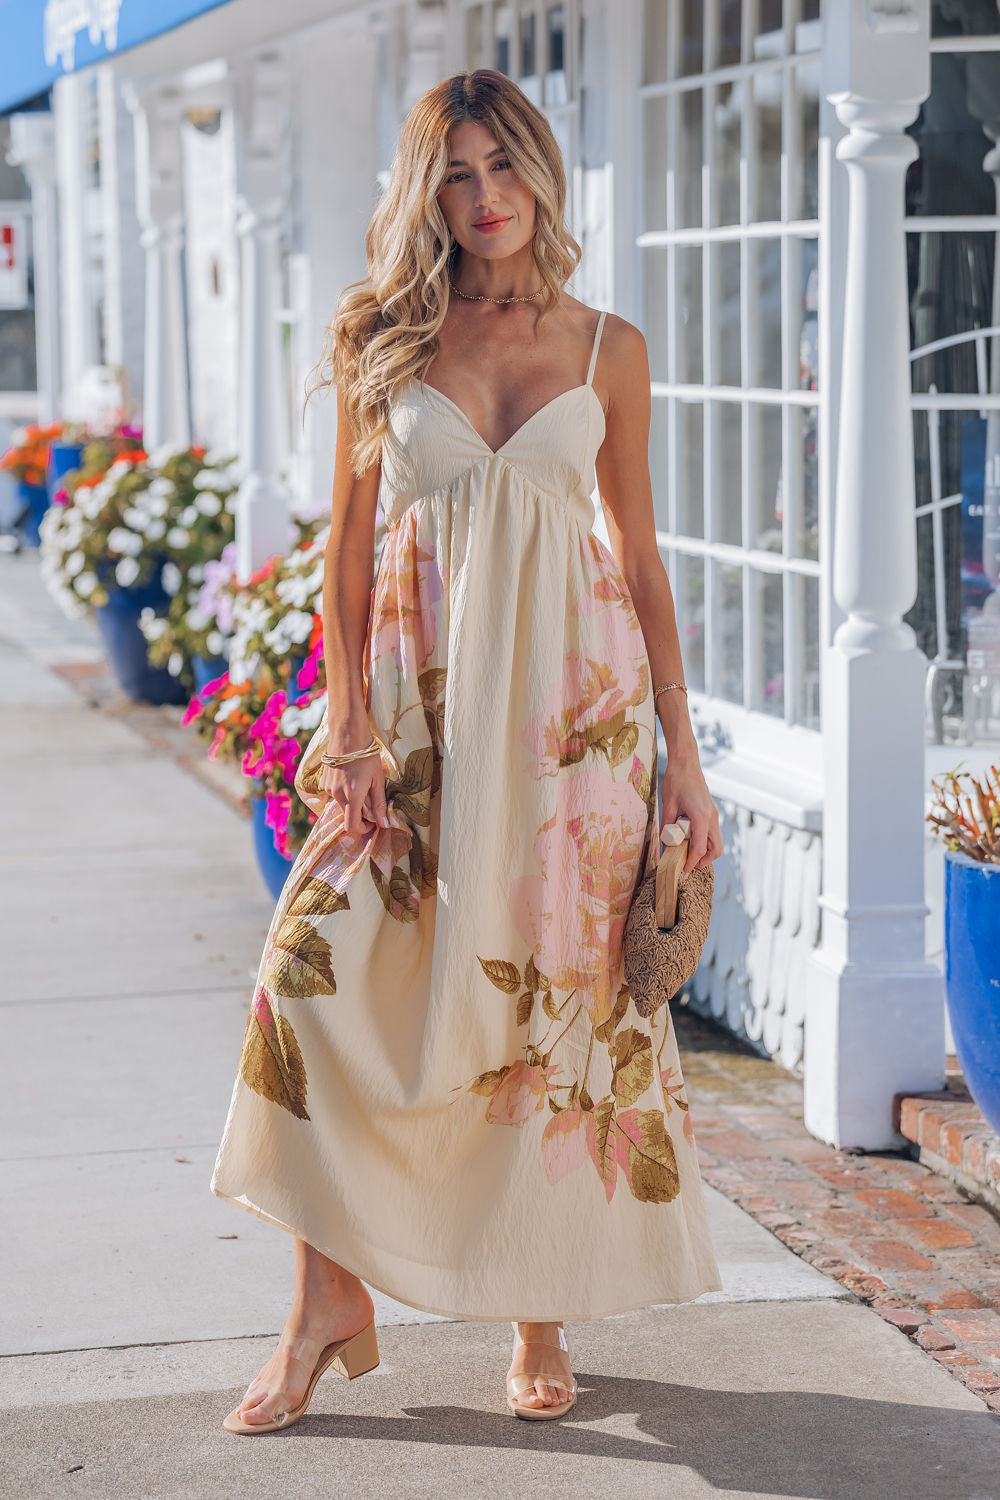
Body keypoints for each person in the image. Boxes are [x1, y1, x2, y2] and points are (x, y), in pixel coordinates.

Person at [211, 67, 724, 1435]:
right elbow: (348, 547)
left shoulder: (608, 344)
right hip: (424, 720)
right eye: (456, 172)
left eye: (504, 166)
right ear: (424, 193)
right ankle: (327, 1294)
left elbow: (643, 557)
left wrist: (683, 755)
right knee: (310, 984)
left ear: (542, 174)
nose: (483, 196)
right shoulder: (382, 337)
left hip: (579, 732)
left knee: (543, 1015)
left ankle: (536, 1309)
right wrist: (347, 718)